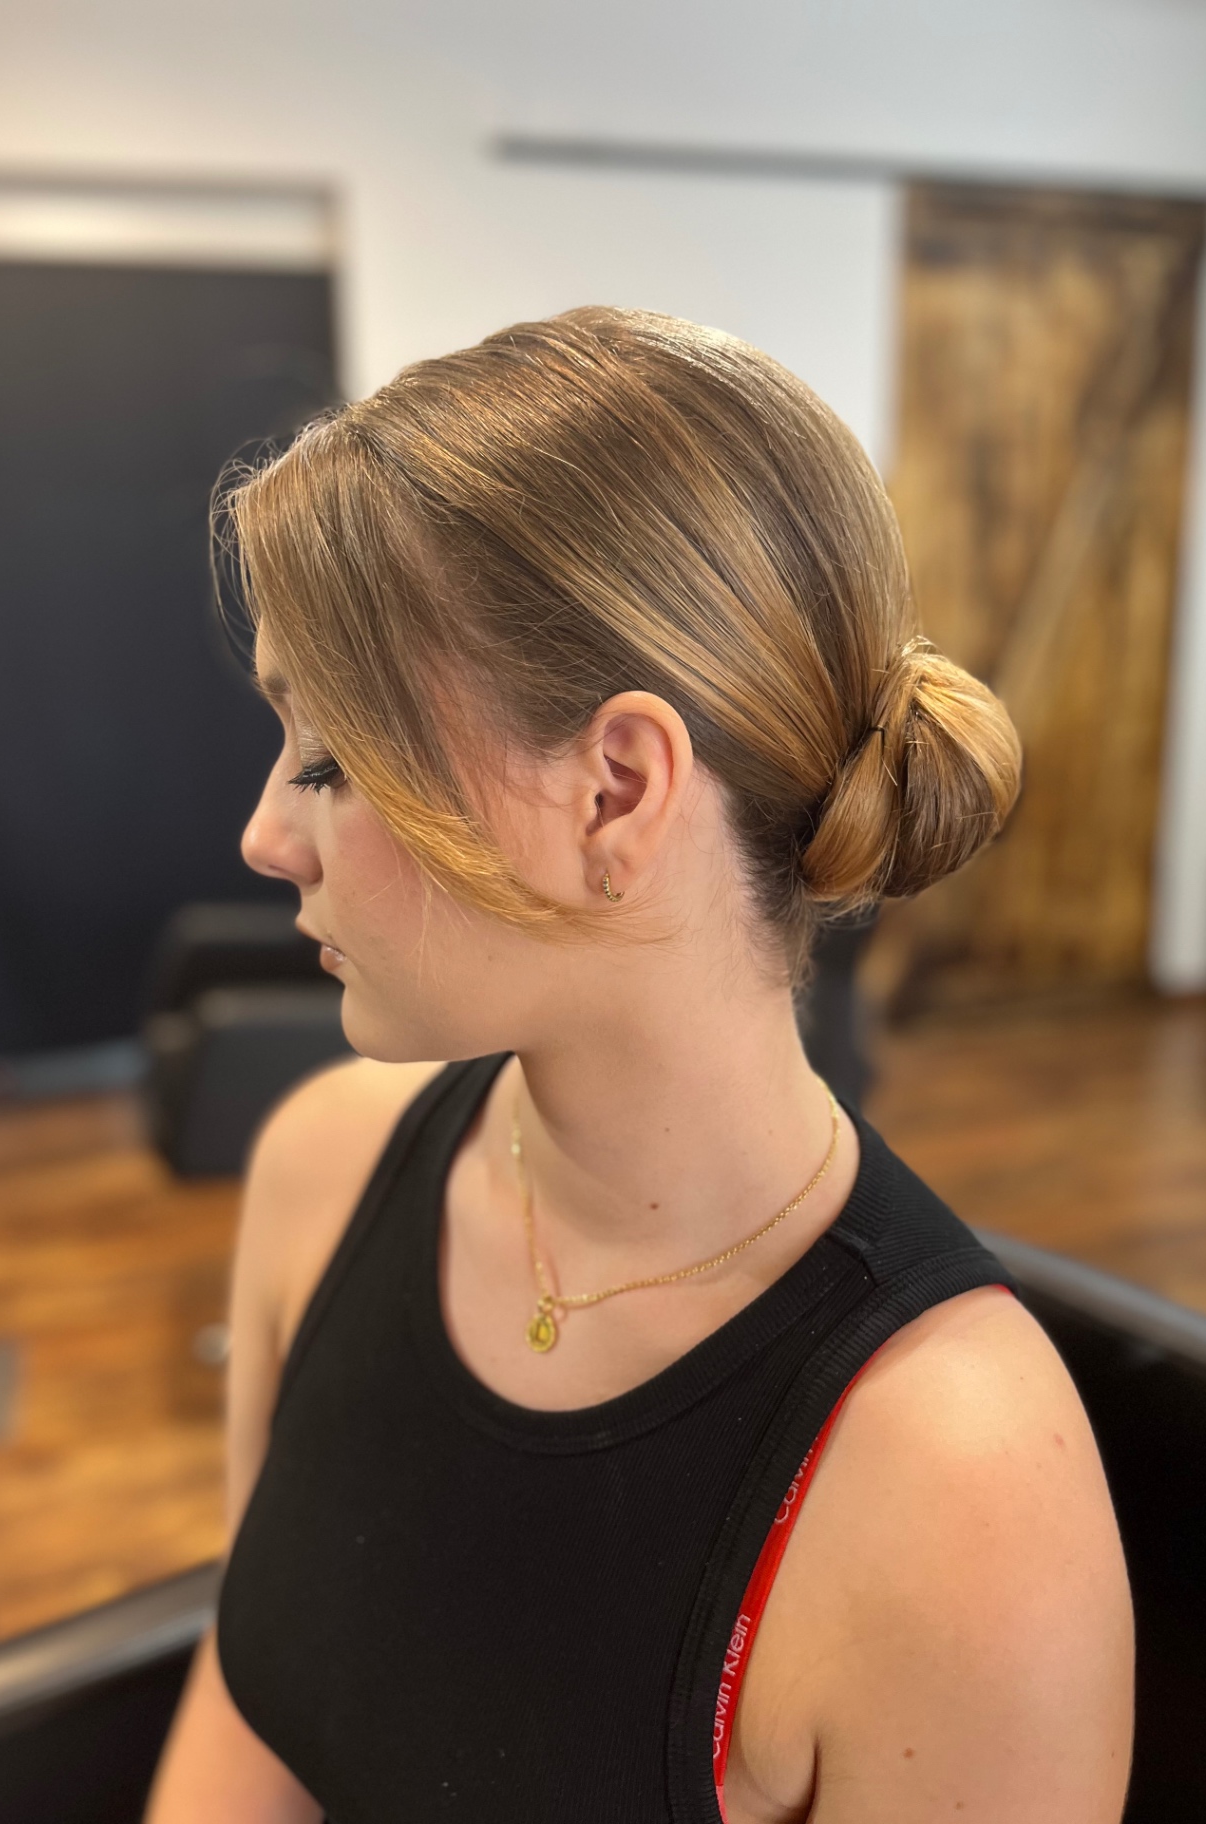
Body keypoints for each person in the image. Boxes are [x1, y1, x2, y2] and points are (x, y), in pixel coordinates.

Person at [146, 307, 1132, 1824]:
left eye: (330, 760)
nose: (267, 834)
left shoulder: (959, 1502)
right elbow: (256, 1696)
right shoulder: (323, 1171)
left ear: (616, 790)